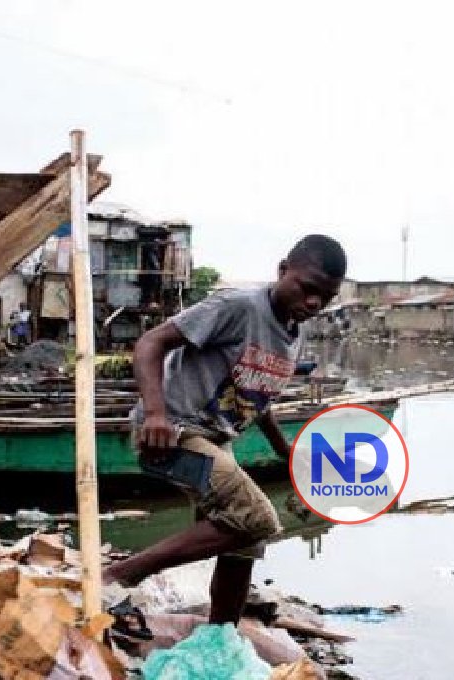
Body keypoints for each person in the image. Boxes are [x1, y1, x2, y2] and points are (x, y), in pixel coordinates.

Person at [103, 234, 346, 625]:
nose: (314, 303)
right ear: (283, 270)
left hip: (216, 440)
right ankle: (121, 575)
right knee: (258, 517)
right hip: (172, 433)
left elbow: (258, 396)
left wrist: (284, 450)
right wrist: (155, 414)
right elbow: (151, 342)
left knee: (246, 541)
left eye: (326, 298)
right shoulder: (239, 306)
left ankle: (220, 636)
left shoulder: (294, 333)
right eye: (307, 289)